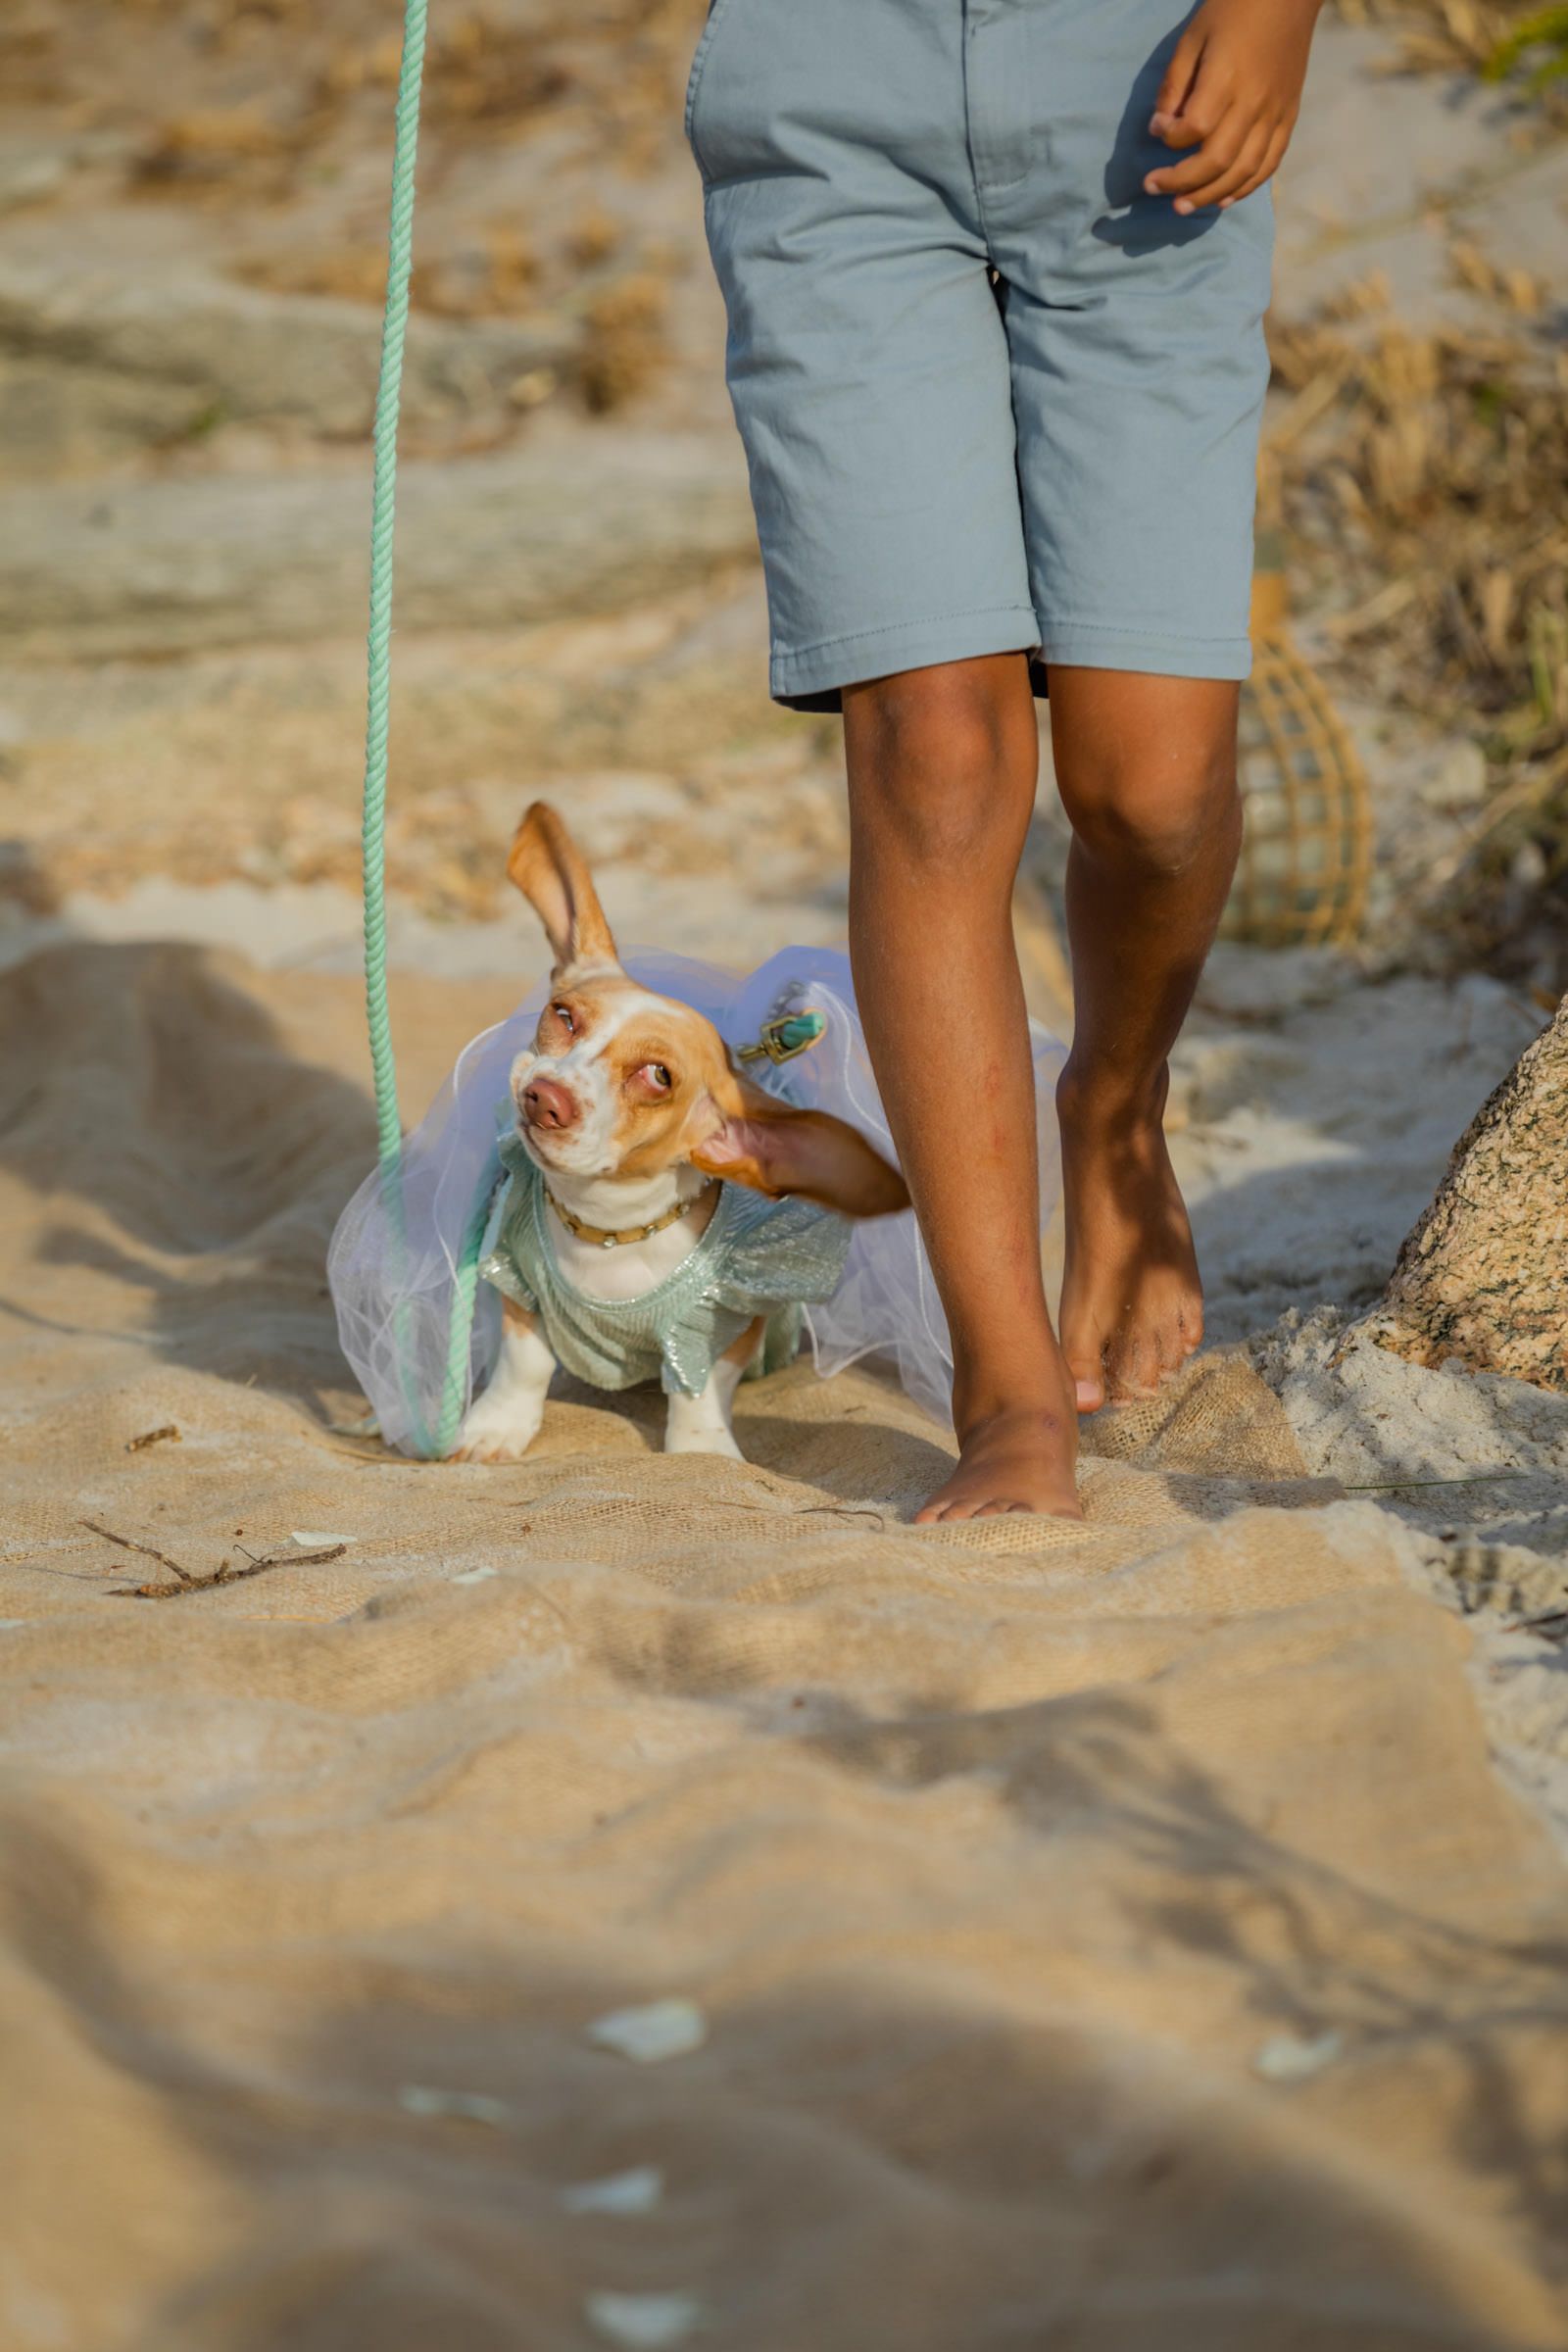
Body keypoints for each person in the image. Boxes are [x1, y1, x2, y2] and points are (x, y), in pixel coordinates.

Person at [683, 0, 1324, 1520]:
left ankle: (1113, 1106)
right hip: (827, 87)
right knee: (933, 753)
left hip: (1147, 75)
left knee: (1152, 791)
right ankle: (1009, 1390)